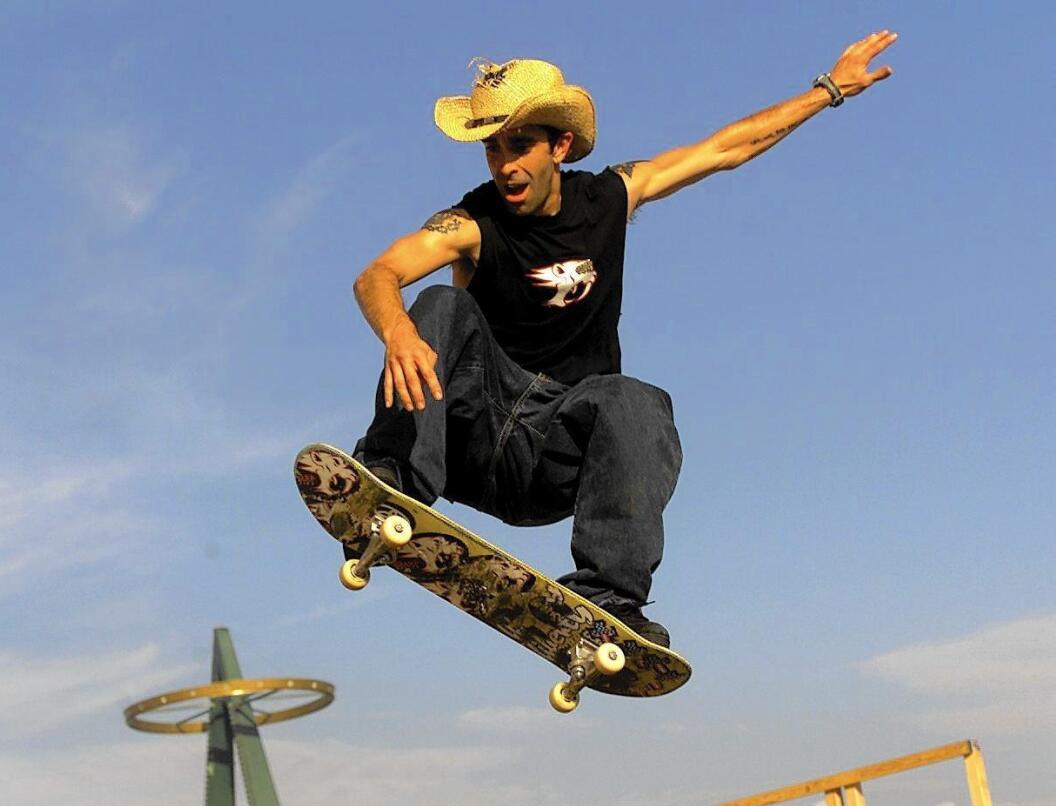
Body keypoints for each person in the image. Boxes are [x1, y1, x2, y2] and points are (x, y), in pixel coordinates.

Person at [349, 32, 897, 645]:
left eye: (520, 146)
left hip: (551, 455)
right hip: (470, 442)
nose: (505, 166)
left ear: (559, 144)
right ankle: (392, 481)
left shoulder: (610, 195)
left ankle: (608, 599)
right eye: (493, 149)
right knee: (438, 304)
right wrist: (396, 331)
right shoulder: (469, 223)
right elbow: (379, 274)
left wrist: (827, 91)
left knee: (637, 399)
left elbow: (724, 150)